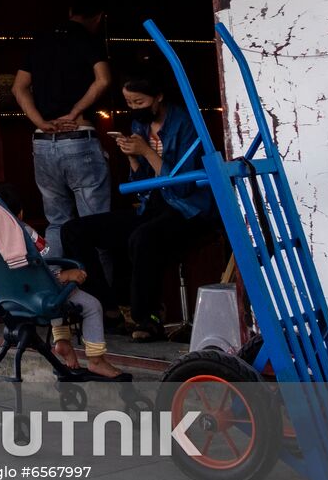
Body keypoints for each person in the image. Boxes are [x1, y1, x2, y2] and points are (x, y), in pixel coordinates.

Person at [62, 74, 216, 342]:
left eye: (139, 101)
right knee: (74, 230)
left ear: (158, 97)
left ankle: (148, 318)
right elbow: (144, 186)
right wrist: (133, 157)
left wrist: (146, 151)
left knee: (142, 237)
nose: (133, 107)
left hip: (188, 210)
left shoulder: (187, 125)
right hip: (153, 206)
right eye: (128, 102)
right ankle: (107, 309)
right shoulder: (140, 124)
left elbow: (182, 187)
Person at [11, 0, 114, 258]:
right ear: (99, 17)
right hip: (79, 138)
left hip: (43, 144)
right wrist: (74, 112)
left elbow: (18, 88)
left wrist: (42, 122)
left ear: (70, 12)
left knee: (57, 223)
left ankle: (61, 292)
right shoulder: (89, 40)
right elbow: (103, 79)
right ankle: (102, 298)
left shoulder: (41, 41)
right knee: (97, 225)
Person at [0, 183, 121, 378]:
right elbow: (42, 268)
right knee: (92, 305)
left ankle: (63, 343)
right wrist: (66, 275)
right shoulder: (25, 234)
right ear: (20, 213)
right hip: (39, 292)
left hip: (10, 296)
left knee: (58, 301)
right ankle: (96, 360)